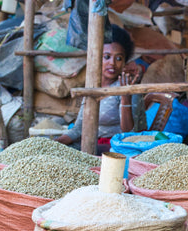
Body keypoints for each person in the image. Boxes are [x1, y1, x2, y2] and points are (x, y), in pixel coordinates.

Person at [61, 24, 147, 153]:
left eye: (118, 58)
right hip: (94, 143)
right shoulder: (92, 86)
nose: (112, 63)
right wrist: (53, 144)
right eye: (107, 57)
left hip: (119, 149)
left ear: (124, 62)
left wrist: (125, 99)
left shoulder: (127, 87)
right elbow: (79, 129)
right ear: (97, 58)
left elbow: (130, 135)